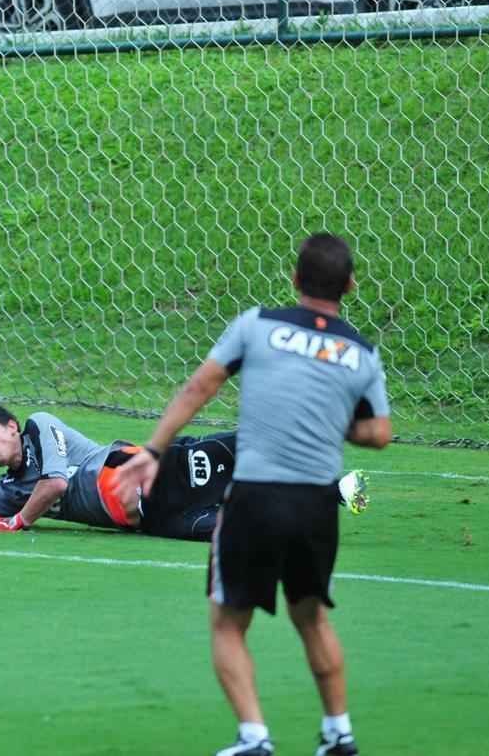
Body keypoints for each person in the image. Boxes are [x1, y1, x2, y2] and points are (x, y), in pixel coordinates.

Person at [114, 233, 391, 756]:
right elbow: (380, 433)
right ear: (350, 286)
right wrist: (339, 426)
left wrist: (154, 448)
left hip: (256, 500)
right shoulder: (360, 354)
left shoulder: (258, 325)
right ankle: (339, 733)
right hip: (315, 505)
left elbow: (200, 387)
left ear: (294, 279)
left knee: (228, 621)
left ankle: (254, 738)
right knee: (311, 617)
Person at [0, 405, 369, 541]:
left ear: (12, 427)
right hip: (154, 519)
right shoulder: (7, 491)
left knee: (246, 446)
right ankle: (332, 494)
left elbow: (58, 485)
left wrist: (18, 524)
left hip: (160, 472)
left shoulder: (42, 428)